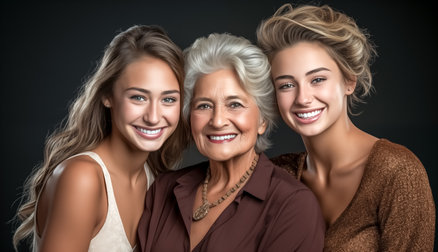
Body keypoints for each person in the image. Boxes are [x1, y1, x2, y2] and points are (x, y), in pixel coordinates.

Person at [257, 3, 435, 251]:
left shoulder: (398, 173)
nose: (302, 98)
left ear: (349, 81)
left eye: (317, 79)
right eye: (286, 85)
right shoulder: (276, 174)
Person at [137, 33, 325, 251]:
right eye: (204, 106)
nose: (217, 121)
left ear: (262, 120)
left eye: (234, 104)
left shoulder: (292, 205)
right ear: (189, 118)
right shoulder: (163, 189)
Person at [12, 25, 189, 251]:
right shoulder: (81, 177)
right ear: (107, 96)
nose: (154, 117)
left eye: (168, 99)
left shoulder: (155, 180)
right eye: (138, 97)